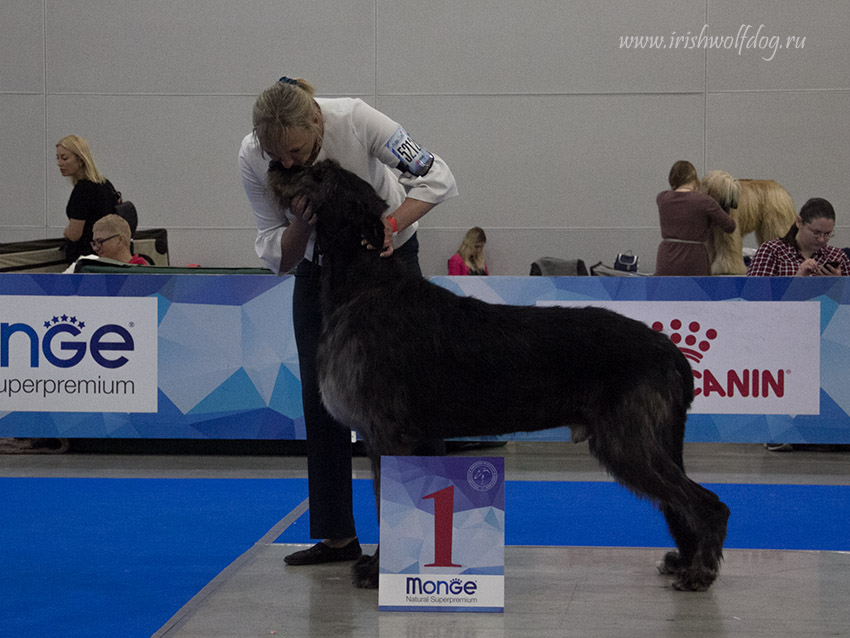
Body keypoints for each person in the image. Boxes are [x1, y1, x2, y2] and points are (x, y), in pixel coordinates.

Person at [238, 77, 458, 566]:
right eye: (278, 157)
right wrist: (300, 223)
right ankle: (337, 535)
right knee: (323, 400)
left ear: (316, 119)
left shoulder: (358, 119)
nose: (288, 164)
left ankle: (423, 538)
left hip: (389, 258)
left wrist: (392, 222)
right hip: (318, 271)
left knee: (414, 397)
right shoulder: (251, 155)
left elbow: (439, 176)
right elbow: (275, 254)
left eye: (296, 150)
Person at [654, 160, 736, 276]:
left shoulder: (662, 198)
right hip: (694, 259)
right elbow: (729, 226)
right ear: (694, 179)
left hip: (666, 257)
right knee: (696, 293)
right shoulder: (705, 201)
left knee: (667, 292)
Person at [747, 197, 849, 277]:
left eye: (827, 234)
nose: (821, 239)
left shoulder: (836, 256)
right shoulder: (772, 251)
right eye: (816, 232)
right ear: (799, 222)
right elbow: (753, 297)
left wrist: (839, 283)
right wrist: (797, 280)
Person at [56, 135, 119, 263]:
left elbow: (74, 234)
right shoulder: (105, 183)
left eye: (65, 158)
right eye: (57, 158)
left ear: (80, 159)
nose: (60, 163)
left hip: (87, 260)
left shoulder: (82, 189)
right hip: (109, 257)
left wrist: (66, 232)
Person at [63, 214, 149, 272]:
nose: (95, 248)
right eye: (94, 243)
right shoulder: (89, 266)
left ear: (120, 240)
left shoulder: (142, 271)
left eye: (100, 241)